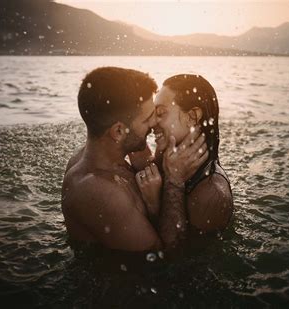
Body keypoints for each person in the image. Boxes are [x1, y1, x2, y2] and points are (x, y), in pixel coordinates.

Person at [61, 67, 207, 252]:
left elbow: (149, 164)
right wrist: (174, 182)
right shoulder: (99, 191)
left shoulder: (110, 152)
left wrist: (163, 152)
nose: (155, 122)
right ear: (119, 131)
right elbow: (168, 257)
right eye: (147, 119)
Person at [133, 74, 233, 248]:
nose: (152, 122)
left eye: (161, 113)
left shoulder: (211, 193)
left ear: (192, 116)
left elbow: (176, 257)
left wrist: (172, 184)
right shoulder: (169, 152)